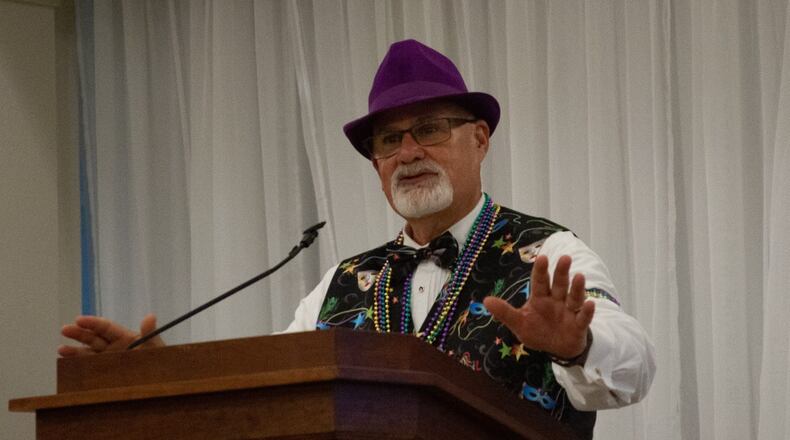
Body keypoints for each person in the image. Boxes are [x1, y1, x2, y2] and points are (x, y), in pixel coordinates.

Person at [60, 39, 655, 438]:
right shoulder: (339, 284)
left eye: (429, 128)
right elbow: (269, 392)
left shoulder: (548, 253)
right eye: (388, 140)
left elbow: (636, 367)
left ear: (480, 138)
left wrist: (576, 345)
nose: (408, 151)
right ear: (375, 164)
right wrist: (163, 377)